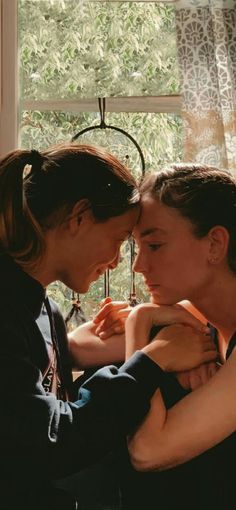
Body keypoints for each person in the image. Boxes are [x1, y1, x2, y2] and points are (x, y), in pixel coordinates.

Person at [0, 145, 215, 510]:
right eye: (118, 240)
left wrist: (145, 327)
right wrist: (152, 361)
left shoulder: (44, 311)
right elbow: (51, 442)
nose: (118, 263)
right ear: (79, 218)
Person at [124, 163, 236, 509]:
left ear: (215, 244)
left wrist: (138, 320)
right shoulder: (198, 319)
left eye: (154, 245)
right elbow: (79, 345)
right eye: (136, 248)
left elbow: (146, 451)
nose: (138, 266)